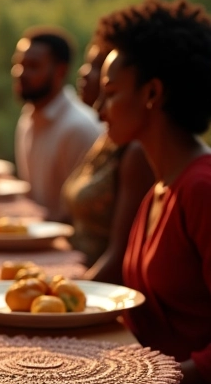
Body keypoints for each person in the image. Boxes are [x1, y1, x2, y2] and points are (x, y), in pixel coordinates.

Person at [97, 0, 211, 384]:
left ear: (152, 93)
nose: (99, 110)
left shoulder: (201, 188)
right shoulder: (160, 188)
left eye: (110, 94)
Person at [61, 35, 154, 282]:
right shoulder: (106, 137)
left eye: (94, 65)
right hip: (79, 273)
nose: (84, 73)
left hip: (101, 291)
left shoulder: (135, 150)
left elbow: (120, 257)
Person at [11, 26, 100, 223]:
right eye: (19, 64)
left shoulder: (79, 128)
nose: (21, 73)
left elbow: (81, 215)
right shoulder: (28, 117)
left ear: (60, 71)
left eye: (33, 66)